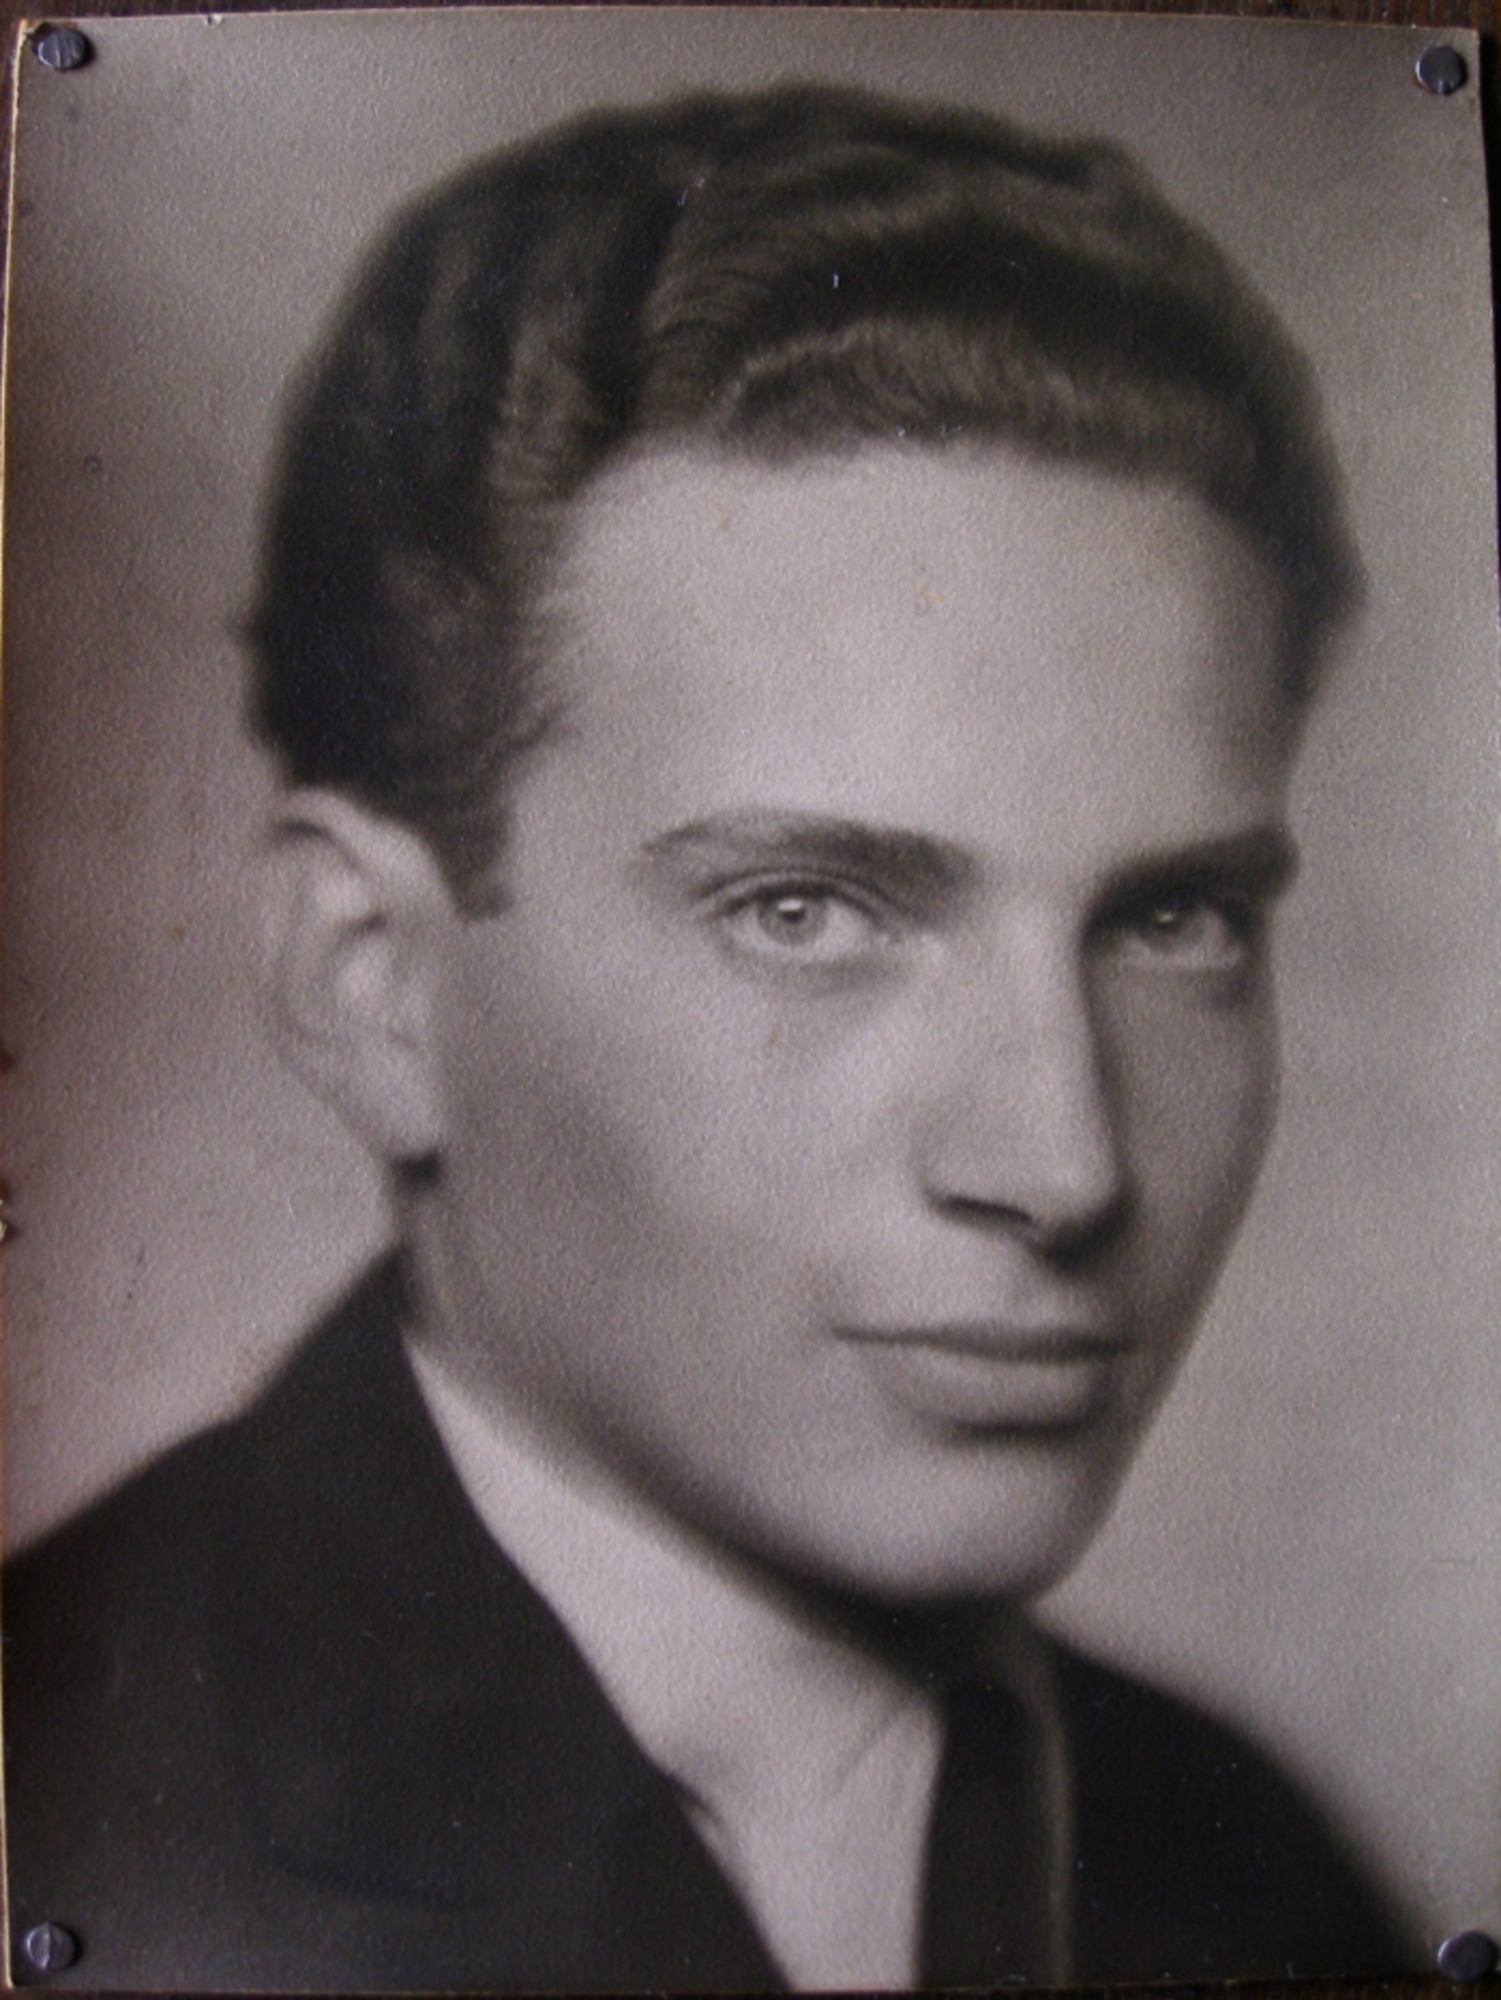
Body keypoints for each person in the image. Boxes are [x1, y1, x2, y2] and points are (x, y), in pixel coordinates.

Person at [4, 82, 1408, 1991]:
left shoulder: (1254, 1870)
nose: (1064, 1164)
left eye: (1175, 921)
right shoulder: (52, 1796)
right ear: (370, 981)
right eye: (803, 912)